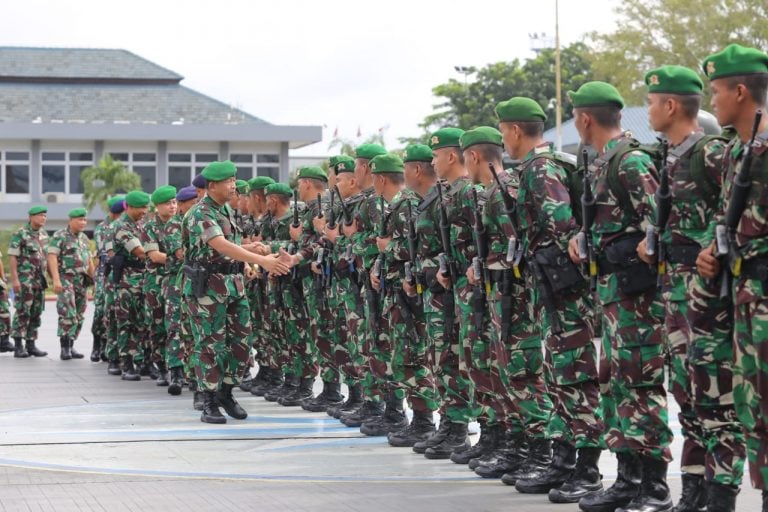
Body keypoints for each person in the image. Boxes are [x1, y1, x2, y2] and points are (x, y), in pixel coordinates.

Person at [637, 64, 745, 512]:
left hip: (707, 297)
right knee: (688, 396)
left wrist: (708, 250)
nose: (647, 109)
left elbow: (736, 217)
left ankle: (723, 492)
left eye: (651, 101)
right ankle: (695, 487)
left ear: (671, 105)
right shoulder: (671, 155)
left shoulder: (712, 152)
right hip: (675, 293)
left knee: (716, 398)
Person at [566, 81, 672, 512]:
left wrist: (630, 250)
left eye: (575, 114)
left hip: (638, 299)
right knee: (617, 386)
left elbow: (660, 225)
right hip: (612, 297)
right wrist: (582, 237)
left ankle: (655, 486)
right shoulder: (600, 163)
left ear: (585, 118)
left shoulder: (629, 162)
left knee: (641, 386)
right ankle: (627, 478)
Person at [494, 98, 603, 501]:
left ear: (516, 131)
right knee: (559, 375)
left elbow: (561, 225)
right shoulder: (540, 166)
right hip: (553, 288)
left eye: (504, 130)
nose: (504, 139)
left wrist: (549, 265)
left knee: (574, 376)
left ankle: (588, 468)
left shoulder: (540, 169)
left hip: (564, 288)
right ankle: (564, 458)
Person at [696, 44, 768, 512]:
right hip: (743, 297)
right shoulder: (738, 151)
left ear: (740, 91)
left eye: (718, 91)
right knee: (753, 406)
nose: (713, 100)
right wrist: (713, 250)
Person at [182, 160, 291, 424]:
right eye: (228, 182)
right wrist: (263, 262)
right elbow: (220, 245)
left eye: (234, 180)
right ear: (212, 186)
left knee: (241, 344)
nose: (233, 186)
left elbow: (233, 246)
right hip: (208, 288)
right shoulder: (200, 213)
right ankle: (208, 399)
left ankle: (226, 392)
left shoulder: (227, 211)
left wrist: (257, 250)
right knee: (210, 345)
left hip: (233, 286)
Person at [112, 191, 151, 380]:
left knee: (144, 323)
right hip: (127, 281)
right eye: (141, 208)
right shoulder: (122, 227)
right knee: (126, 323)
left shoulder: (142, 225)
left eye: (146, 207)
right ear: (130, 207)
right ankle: (126, 363)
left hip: (144, 278)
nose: (144, 211)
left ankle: (144, 361)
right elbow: (141, 252)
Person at [47, 207, 94, 360]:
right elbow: (52, 257)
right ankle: (64, 348)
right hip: (66, 278)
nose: (83, 222)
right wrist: (55, 279)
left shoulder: (84, 238)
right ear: (71, 220)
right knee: (68, 312)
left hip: (81, 280)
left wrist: (93, 280)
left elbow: (89, 260)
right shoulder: (60, 236)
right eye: (80, 219)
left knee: (80, 314)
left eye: (85, 220)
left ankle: (72, 344)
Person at [8, 205, 49, 358]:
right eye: (39, 215)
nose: (43, 218)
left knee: (36, 312)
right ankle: (18, 345)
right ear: (31, 217)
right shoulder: (21, 234)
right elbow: (12, 256)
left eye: (44, 216)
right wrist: (15, 280)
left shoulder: (44, 235)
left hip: (40, 281)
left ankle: (31, 344)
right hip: (25, 280)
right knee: (22, 311)